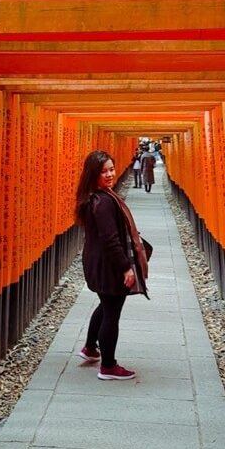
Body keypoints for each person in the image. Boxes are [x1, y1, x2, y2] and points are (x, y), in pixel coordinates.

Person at [75, 150, 140, 380]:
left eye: (111, 169)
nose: (110, 174)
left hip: (96, 261)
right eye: (104, 171)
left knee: (105, 304)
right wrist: (126, 267)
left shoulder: (94, 196)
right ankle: (109, 366)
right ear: (93, 174)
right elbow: (110, 240)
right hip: (107, 264)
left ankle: (90, 348)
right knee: (112, 312)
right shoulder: (102, 202)